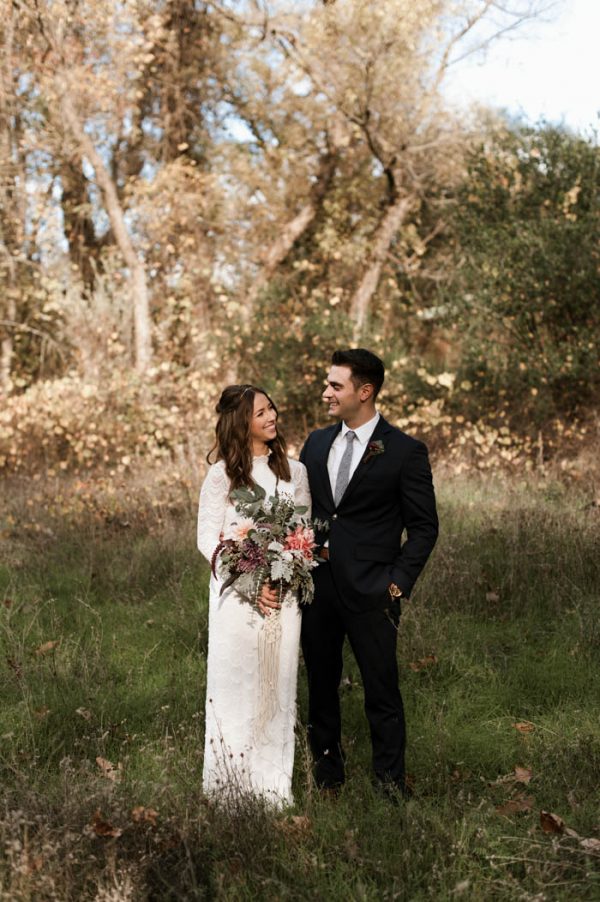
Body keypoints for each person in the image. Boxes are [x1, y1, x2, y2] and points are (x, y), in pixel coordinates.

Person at [300, 349, 438, 799]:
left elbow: (423, 527)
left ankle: (389, 786)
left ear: (365, 391)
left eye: (335, 385)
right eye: (327, 383)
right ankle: (327, 776)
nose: (326, 392)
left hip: (374, 590)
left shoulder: (404, 451)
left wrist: (397, 582)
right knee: (320, 686)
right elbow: (310, 512)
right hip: (317, 587)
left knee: (381, 691)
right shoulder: (316, 444)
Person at [197, 384, 311, 807]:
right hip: (235, 598)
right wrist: (247, 581)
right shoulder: (222, 474)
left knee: (275, 687)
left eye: (272, 408)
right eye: (261, 412)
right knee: (234, 688)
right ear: (240, 423)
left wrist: (285, 570)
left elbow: (304, 533)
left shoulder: (294, 473)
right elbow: (207, 538)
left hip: (283, 599)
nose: (272, 416)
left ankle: (271, 791)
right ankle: (227, 791)